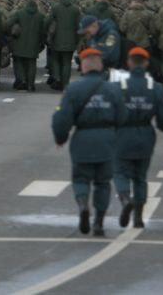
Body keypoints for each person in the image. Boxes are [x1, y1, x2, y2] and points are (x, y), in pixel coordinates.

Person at [52, 48, 125, 237]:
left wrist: (61, 138)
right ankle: (99, 222)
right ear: (100, 66)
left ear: (83, 66)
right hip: (107, 141)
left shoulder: (74, 89)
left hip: (82, 139)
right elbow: (123, 117)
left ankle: (83, 205)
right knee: (102, 183)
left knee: (80, 179)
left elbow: (61, 118)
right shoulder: (113, 89)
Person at [113, 47, 163, 229]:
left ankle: (125, 200)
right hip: (145, 135)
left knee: (121, 173)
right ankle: (138, 216)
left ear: (129, 63)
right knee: (140, 177)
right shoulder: (155, 88)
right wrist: (162, 125)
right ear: (146, 64)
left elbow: (108, 113)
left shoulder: (118, 87)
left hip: (122, 134)